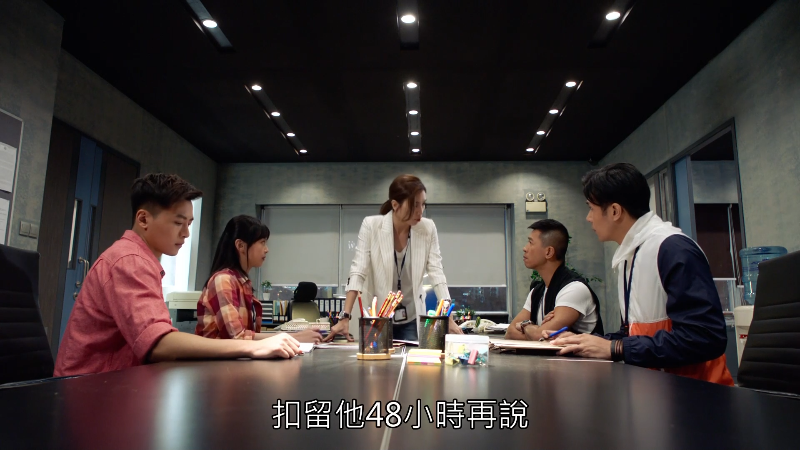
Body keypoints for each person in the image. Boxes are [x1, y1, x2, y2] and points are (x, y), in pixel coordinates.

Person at [54, 174, 301, 377]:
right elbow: (158, 343)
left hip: (116, 384)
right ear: (143, 219)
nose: (185, 233)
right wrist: (253, 348)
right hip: (87, 391)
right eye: (178, 223)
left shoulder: (139, 259)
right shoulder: (129, 260)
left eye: (189, 224)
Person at [551, 163, 734, 386]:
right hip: (654, 390)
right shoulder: (631, 254)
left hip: (697, 395)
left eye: (591, 208)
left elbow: (705, 337)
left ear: (615, 211)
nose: (589, 218)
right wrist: (588, 342)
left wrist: (616, 348)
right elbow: (636, 335)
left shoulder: (672, 249)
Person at [325, 174, 462, 342]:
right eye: (414, 205)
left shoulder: (427, 228)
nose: (420, 211)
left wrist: (448, 316)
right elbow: (357, 271)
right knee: (375, 359)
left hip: (411, 316)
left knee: (411, 357)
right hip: (378, 316)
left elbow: (437, 272)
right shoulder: (371, 226)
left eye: (423, 204)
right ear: (395, 205)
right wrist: (345, 316)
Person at [196, 215, 322, 343]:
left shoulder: (242, 282)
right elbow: (237, 337)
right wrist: (294, 337)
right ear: (240, 245)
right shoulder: (223, 280)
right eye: (262, 242)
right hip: (217, 356)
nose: (266, 249)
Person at [505, 219, 603, 340]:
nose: (525, 248)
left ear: (549, 252)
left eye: (530, 242)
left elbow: (541, 336)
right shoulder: (537, 291)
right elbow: (510, 333)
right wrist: (536, 330)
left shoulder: (574, 289)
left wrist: (526, 325)